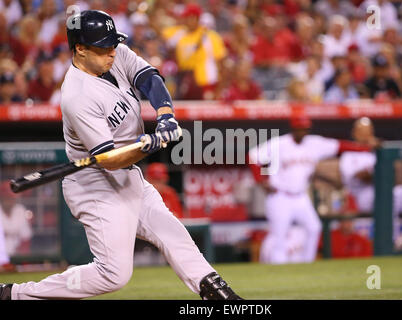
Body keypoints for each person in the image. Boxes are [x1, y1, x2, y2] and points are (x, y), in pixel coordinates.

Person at [0, 10, 241, 301]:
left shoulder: (114, 54)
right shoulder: (77, 95)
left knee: (171, 231)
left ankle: (218, 295)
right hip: (95, 184)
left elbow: (150, 79)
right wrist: (152, 144)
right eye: (103, 48)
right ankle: (17, 295)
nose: (112, 52)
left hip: (128, 175)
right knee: (113, 274)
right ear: (80, 49)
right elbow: (110, 159)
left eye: (113, 44)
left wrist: (165, 116)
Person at [248, 114, 373, 264]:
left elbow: (340, 146)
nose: (303, 131)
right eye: (300, 128)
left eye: (305, 128)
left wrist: (366, 148)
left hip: (300, 196)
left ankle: (307, 264)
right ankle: (277, 269)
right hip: (280, 196)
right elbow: (252, 156)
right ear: (293, 128)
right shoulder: (279, 144)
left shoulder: (315, 143)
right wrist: (261, 181)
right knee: (279, 236)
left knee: (314, 227)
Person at [339, 117, 402, 251]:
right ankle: (393, 241)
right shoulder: (349, 154)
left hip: (383, 192)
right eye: (362, 132)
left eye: (369, 131)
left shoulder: (376, 151)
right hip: (362, 197)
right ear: (354, 133)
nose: (366, 135)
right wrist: (379, 166)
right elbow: (361, 177)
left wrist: (380, 151)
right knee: (388, 196)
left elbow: (392, 173)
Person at [0, 181, 32, 257]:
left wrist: (21, 258)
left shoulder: (20, 210)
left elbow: (25, 238)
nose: (9, 200)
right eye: (7, 197)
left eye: (12, 197)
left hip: (17, 258)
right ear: (1, 197)